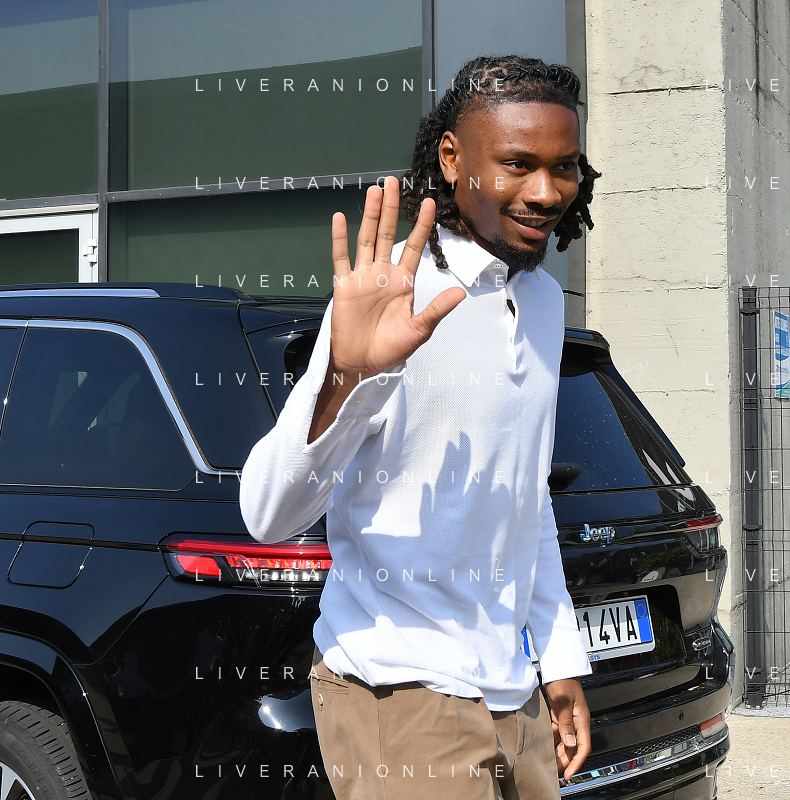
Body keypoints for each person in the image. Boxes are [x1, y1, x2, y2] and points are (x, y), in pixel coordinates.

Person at [239, 55, 602, 800]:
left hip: (514, 690)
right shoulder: (394, 299)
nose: (545, 193)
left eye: (563, 167)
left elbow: (526, 497)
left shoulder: (541, 301)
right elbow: (268, 514)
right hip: (398, 691)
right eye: (517, 164)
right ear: (452, 159)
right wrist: (350, 377)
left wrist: (560, 658)